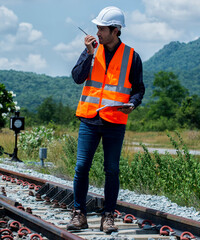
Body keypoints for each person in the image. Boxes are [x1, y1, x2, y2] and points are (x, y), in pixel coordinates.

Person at [67, 6, 145, 234]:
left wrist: (133, 103)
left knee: (111, 170)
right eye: (97, 28)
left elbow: (139, 89)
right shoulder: (91, 51)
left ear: (115, 30)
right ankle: (78, 214)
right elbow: (77, 77)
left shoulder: (132, 56)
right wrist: (88, 54)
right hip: (90, 119)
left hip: (115, 121)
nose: (97, 33)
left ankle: (108, 217)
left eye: (102, 28)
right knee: (82, 167)